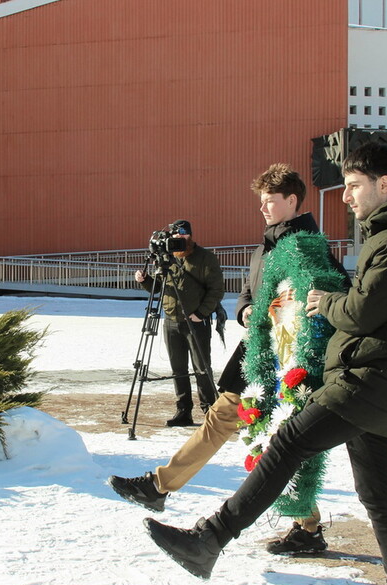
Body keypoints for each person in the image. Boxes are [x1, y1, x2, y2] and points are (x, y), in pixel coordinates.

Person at [143, 142, 387, 585]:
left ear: (384, 185)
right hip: (376, 378)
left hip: (369, 379)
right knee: (378, 494)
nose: (346, 196)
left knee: (287, 444)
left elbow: (364, 312)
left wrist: (326, 302)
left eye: (352, 186)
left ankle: (210, 538)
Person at [111, 164, 349, 554]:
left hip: (285, 360)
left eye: (270, 201)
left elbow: (336, 291)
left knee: (278, 440)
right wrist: (245, 312)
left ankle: (305, 526)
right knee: (237, 425)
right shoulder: (265, 247)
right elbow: (245, 295)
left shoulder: (309, 246)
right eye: (261, 202)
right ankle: (160, 486)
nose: (263, 209)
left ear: (292, 200)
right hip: (256, 354)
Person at [135, 220, 224, 426]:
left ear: (190, 236)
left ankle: (210, 410)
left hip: (196, 321)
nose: (179, 240)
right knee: (178, 368)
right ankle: (183, 411)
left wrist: (201, 314)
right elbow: (158, 288)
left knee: (202, 367)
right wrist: (145, 281)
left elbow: (217, 290)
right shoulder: (167, 257)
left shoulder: (205, 258)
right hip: (171, 320)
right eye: (175, 237)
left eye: (183, 236)